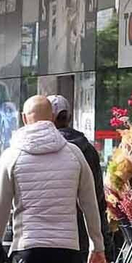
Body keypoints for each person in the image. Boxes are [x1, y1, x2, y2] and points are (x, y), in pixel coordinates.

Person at [0, 95, 108, 263]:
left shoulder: (11, 156)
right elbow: (91, 204)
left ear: (24, 118)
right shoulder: (74, 154)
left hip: (27, 250)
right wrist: (97, 246)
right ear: (52, 117)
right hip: (68, 252)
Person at [50, 95, 107, 250]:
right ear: (69, 117)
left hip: (49, 226)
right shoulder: (87, 148)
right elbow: (97, 193)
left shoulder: (43, 149)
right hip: (82, 225)